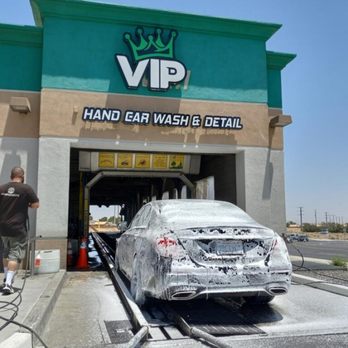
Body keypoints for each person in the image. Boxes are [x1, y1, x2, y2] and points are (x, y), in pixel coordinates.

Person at [0, 167, 39, 295]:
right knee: (14, 255)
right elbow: (35, 204)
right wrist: (25, 204)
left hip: (3, 227)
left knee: (6, 253)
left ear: (11, 175)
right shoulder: (26, 189)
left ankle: (7, 278)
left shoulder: (2, 188)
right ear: (22, 176)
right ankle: (8, 284)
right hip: (17, 228)